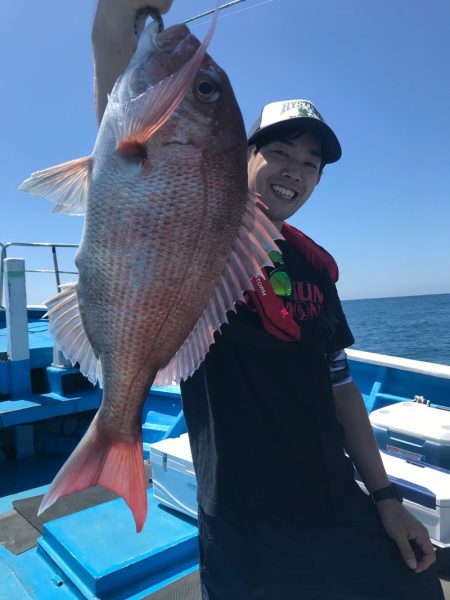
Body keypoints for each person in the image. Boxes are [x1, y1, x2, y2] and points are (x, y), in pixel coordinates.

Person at [92, 2, 444, 598]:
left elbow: (340, 386)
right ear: (242, 154)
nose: (295, 171)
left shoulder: (315, 264)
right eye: (279, 151)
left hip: (337, 499)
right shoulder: (199, 231)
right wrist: (120, 16)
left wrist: (385, 498)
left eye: (312, 163)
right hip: (242, 520)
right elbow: (122, 121)